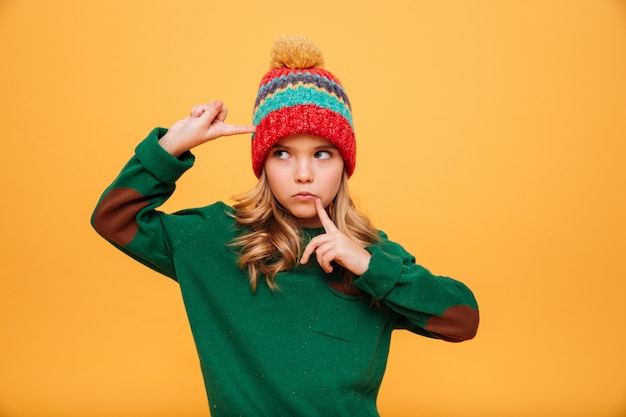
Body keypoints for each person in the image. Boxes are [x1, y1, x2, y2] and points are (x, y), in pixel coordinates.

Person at [91, 34, 479, 417]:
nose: (304, 174)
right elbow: (114, 218)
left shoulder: (372, 257)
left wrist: (367, 266)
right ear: (263, 163)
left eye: (323, 154)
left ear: (345, 163)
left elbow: (462, 320)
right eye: (283, 154)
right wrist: (171, 147)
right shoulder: (213, 238)